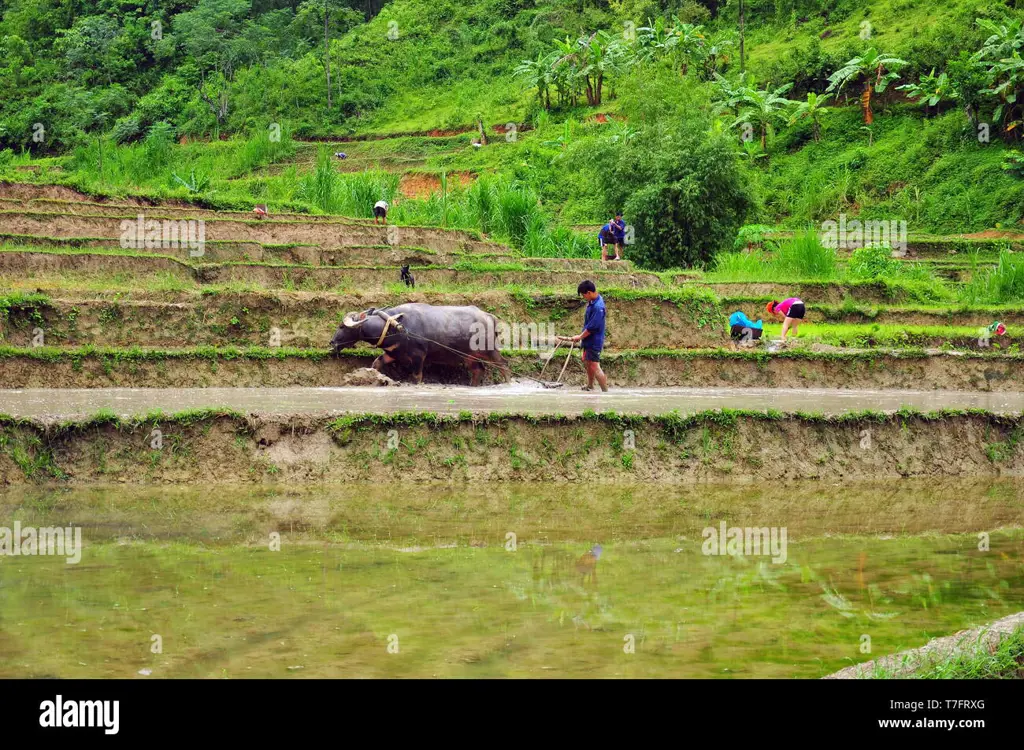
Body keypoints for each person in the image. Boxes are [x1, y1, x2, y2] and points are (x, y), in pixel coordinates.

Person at [559, 280, 609, 392]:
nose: (583, 297)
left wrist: (580, 337)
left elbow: (592, 327)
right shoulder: (592, 302)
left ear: (589, 292)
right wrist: (582, 337)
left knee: (595, 366)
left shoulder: (598, 307)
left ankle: (605, 392)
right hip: (588, 340)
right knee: (588, 363)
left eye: (583, 294)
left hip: (594, 341)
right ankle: (590, 385)